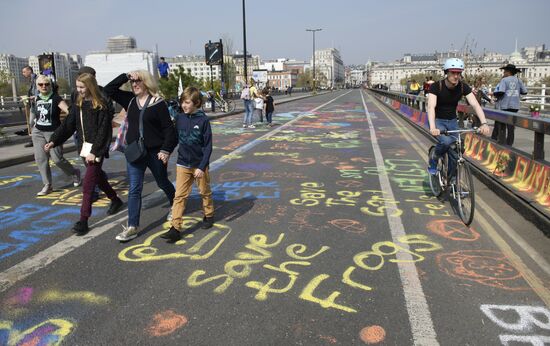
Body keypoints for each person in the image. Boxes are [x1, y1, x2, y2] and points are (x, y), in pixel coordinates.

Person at [45, 73, 123, 234]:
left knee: (88, 185)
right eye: (77, 87)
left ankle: (83, 220)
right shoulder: (78, 105)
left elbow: (104, 130)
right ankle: (115, 200)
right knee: (98, 177)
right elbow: (68, 125)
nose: (79, 90)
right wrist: (54, 140)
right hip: (84, 149)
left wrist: (95, 152)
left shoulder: (101, 105)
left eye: (82, 87)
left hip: (96, 150)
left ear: (91, 86)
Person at [104, 70, 177, 242]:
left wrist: (165, 150)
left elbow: (168, 130)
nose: (135, 84)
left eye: (138, 81)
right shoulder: (130, 100)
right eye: (133, 82)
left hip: (155, 152)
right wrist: (124, 76)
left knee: (162, 181)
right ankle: (132, 226)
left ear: (147, 83)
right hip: (135, 152)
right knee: (134, 189)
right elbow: (107, 90)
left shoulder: (157, 103)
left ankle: (175, 204)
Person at [161, 87, 214, 242]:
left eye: (187, 102)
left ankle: (209, 215)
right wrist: (166, 151)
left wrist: (202, 166)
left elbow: (208, 146)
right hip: (183, 163)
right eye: (182, 102)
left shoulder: (203, 120)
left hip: (199, 165)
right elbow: (174, 138)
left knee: (204, 191)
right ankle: (175, 228)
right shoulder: (180, 118)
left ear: (196, 103)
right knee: (179, 196)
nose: (183, 105)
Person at [427, 58, 490, 180]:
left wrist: (484, 123)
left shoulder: (463, 87)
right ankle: (434, 156)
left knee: (457, 150)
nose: (456, 76)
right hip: (437, 120)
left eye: (458, 73)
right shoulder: (436, 86)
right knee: (445, 142)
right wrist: (433, 127)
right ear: (447, 72)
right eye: (453, 73)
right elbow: (431, 107)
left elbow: (475, 105)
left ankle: (452, 180)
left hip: (452, 121)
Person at [31, 75, 81, 196]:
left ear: (50, 85)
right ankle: (47, 185)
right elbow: (33, 113)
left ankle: (74, 173)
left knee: (57, 159)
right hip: (38, 132)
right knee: (41, 159)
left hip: (54, 132)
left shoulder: (56, 98)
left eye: (46, 84)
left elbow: (70, 112)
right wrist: (30, 126)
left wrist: (70, 126)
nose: (44, 86)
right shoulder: (36, 99)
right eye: (41, 84)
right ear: (37, 86)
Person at [490, 64, 527, 146]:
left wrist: (493, 93)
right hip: (515, 106)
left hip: (505, 105)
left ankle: (500, 142)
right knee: (511, 127)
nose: (504, 72)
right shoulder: (518, 80)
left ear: (508, 72)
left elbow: (501, 92)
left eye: (505, 71)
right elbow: (524, 92)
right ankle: (509, 144)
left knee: (501, 124)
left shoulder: (504, 80)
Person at [18, 66, 39, 147]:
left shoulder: (37, 79)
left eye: (24, 72)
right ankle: (34, 140)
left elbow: (39, 92)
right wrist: (26, 98)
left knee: (35, 123)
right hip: (33, 105)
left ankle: (36, 140)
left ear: (29, 71)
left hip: (38, 105)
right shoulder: (31, 80)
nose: (23, 74)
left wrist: (33, 97)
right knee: (31, 123)